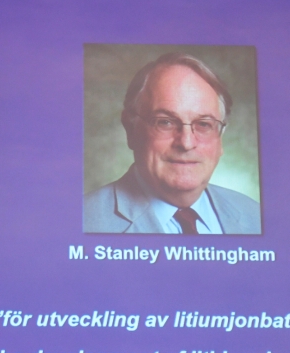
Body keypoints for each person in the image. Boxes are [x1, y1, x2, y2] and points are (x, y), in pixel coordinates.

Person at [84, 53, 261, 234]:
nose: (186, 143)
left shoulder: (254, 215)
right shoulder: (85, 222)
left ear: (220, 137)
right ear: (131, 129)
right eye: (165, 122)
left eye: (203, 124)